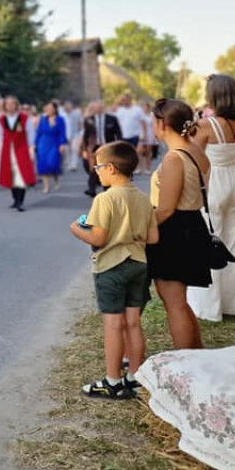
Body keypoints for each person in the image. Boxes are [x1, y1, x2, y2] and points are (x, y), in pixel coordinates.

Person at [69, 141, 159, 399]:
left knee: (113, 325)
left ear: (110, 168)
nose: (95, 171)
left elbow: (98, 238)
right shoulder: (143, 199)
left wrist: (76, 227)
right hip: (139, 264)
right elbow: (153, 238)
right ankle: (135, 376)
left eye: (97, 166)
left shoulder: (104, 199)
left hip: (111, 266)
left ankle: (112, 380)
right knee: (133, 322)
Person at [146, 99, 212, 350]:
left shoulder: (175, 158)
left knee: (173, 302)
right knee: (180, 302)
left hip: (174, 230)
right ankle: (197, 352)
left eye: (153, 120)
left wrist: (137, 229)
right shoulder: (196, 151)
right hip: (192, 224)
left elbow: (165, 209)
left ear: (163, 124)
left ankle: (184, 360)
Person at [188, 74, 235, 322]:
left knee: (208, 241)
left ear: (215, 96)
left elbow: (190, 153)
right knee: (232, 242)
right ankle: (233, 304)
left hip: (213, 182)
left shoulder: (206, 125)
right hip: (234, 180)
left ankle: (208, 307)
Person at [0, 96, 37, 211]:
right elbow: (1, 134)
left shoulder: (24, 118)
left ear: (16, 105)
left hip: (21, 148)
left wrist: (31, 146)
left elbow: (30, 132)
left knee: (20, 176)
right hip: (8, 149)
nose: (10, 106)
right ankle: (15, 199)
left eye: (12, 104)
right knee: (10, 175)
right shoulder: (2, 119)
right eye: (7, 104)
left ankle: (20, 201)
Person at [82, 101, 122, 197]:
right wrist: (84, 149)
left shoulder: (112, 119)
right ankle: (92, 188)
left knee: (106, 167)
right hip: (94, 147)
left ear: (103, 108)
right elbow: (85, 135)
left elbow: (118, 133)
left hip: (107, 146)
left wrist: (119, 146)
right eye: (96, 108)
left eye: (99, 107)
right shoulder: (89, 120)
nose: (97, 109)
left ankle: (106, 188)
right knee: (93, 168)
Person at [35, 101, 68, 194]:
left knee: (53, 162)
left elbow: (62, 132)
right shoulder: (42, 119)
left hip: (54, 142)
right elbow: (38, 132)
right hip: (43, 142)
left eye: (51, 108)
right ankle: (46, 186)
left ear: (55, 109)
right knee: (43, 164)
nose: (49, 110)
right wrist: (35, 143)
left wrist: (62, 144)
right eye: (47, 108)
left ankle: (56, 179)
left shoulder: (60, 119)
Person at [63, 101, 84, 172]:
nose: (68, 109)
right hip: (65, 135)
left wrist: (81, 133)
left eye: (69, 107)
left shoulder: (76, 114)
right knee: (67, 150)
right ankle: (68, 163)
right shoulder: (62, 115)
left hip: (75, 134)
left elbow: (80, 123)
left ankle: (74, 164)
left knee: (74, 149)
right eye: (66, 108)